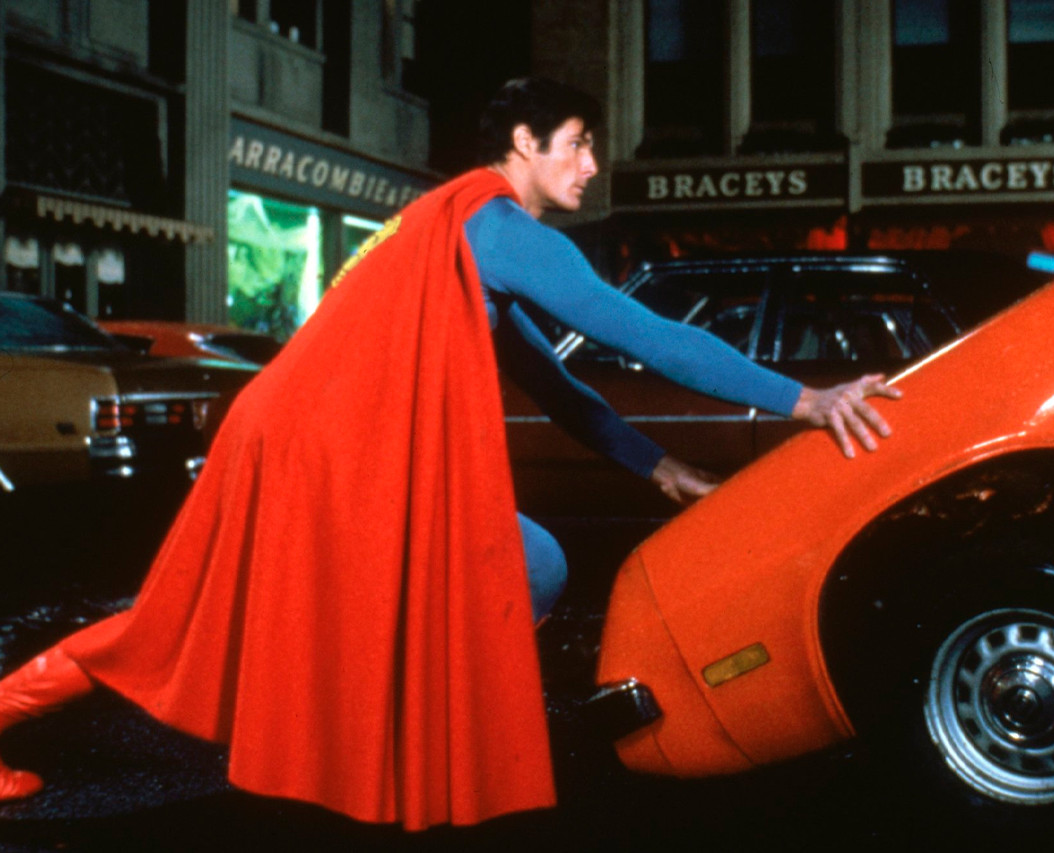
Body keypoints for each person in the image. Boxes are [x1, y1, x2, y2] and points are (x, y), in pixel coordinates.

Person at [0, 78, 900, 830]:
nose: (591, 164)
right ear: (525, 143)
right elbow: (647, 333)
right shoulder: (503, 230)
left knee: (517, 564)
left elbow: (555, 382)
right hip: (320, 447)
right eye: (578, 143)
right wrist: (808, 400)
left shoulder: (460, 224)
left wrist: (655, 466)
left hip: (297, 433)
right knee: (181, 630)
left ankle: (415, 739)